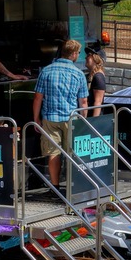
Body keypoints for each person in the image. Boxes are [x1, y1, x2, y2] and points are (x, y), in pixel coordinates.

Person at [31, 39, 88, 187]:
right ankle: (72, 187)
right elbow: (83, 102)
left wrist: (36, 118)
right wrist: (83, 122)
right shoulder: (79, 74)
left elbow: (38, 97)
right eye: (79, 53)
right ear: (74, 54)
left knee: (53, 153)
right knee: (72, 154)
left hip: (50, 118)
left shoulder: (46, 70)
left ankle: (54, 187)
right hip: (71, 118)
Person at [84, 44, 107, 117]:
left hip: (92, 119)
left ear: (95, 58)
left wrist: (94, 122)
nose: (85, 57)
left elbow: (98, 102)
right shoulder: (91, 75)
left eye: (88, 55)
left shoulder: (98, 77)